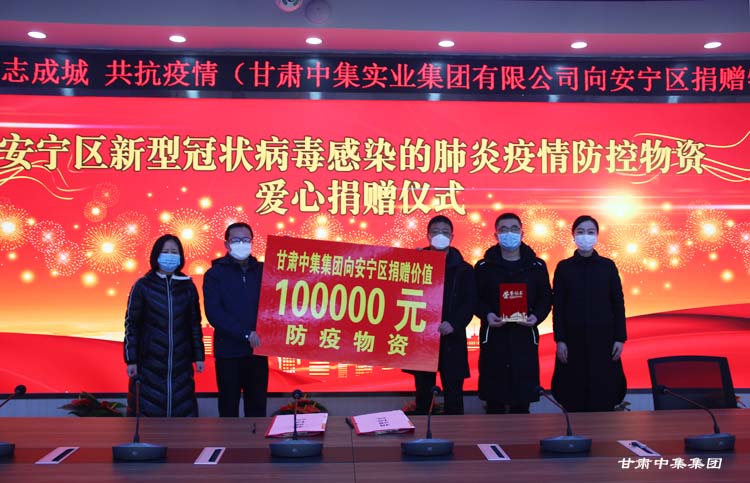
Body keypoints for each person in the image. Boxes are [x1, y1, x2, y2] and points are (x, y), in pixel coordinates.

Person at [474, 213, 552, 414]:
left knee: (522, 399)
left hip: (524, 335)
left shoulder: (537, 265)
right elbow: (474, 299)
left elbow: (546, 298)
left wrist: (536, 317)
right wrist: (487, 314)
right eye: (504, 229)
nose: (509, 233)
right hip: (494, 336)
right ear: (496, 235)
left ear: (522, 233)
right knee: (494, 400)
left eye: (514, 228)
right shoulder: (483, 266)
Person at [123, 234, 205, 417]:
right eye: (165, 251)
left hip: (181, 362)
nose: (170, 256)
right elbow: (132, 325)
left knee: (182, 410)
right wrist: (131, 359)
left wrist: (199, 356)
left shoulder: (188, 286)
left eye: (174, 252)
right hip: (149, 362)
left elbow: (194, 324)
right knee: (148, 412)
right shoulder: (143, 285)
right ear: (156, 255)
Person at [551, 215, 627, 412]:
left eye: (590, 232)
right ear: (573, 236)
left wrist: (620, 338)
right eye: (581, 232)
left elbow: (618, 304)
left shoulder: (607, 266)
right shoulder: (564, 267)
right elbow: (558, 306)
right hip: (572, 341)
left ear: (597, 236)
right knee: (573, 394)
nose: (586, 236)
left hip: (604, 340)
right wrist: (560, 340)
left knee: (604, 394)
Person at [407, 215, 477, 415]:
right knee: (423, 393)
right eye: (436, 232)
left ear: (452, 237)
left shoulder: (464, 269)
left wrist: (454, 323)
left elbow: (469, 302)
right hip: (423, 337)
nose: (440, 236)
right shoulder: (416, 263)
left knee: (453, 394)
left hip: (451, 337)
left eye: (445, 232)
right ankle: (423, 432)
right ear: (428, 236)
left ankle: (455, 432)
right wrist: (409, 261)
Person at [203, 222, 268, 417]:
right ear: (227, 244)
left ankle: (255, 438)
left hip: (257, 352)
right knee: (228, 408)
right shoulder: (215, 274)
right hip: (228, 353)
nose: (242, 244)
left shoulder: (264, 271)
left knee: (257, 409)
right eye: (236, 240)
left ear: (252, 242)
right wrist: (246, 334)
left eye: (246, 240)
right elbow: (214, 313)